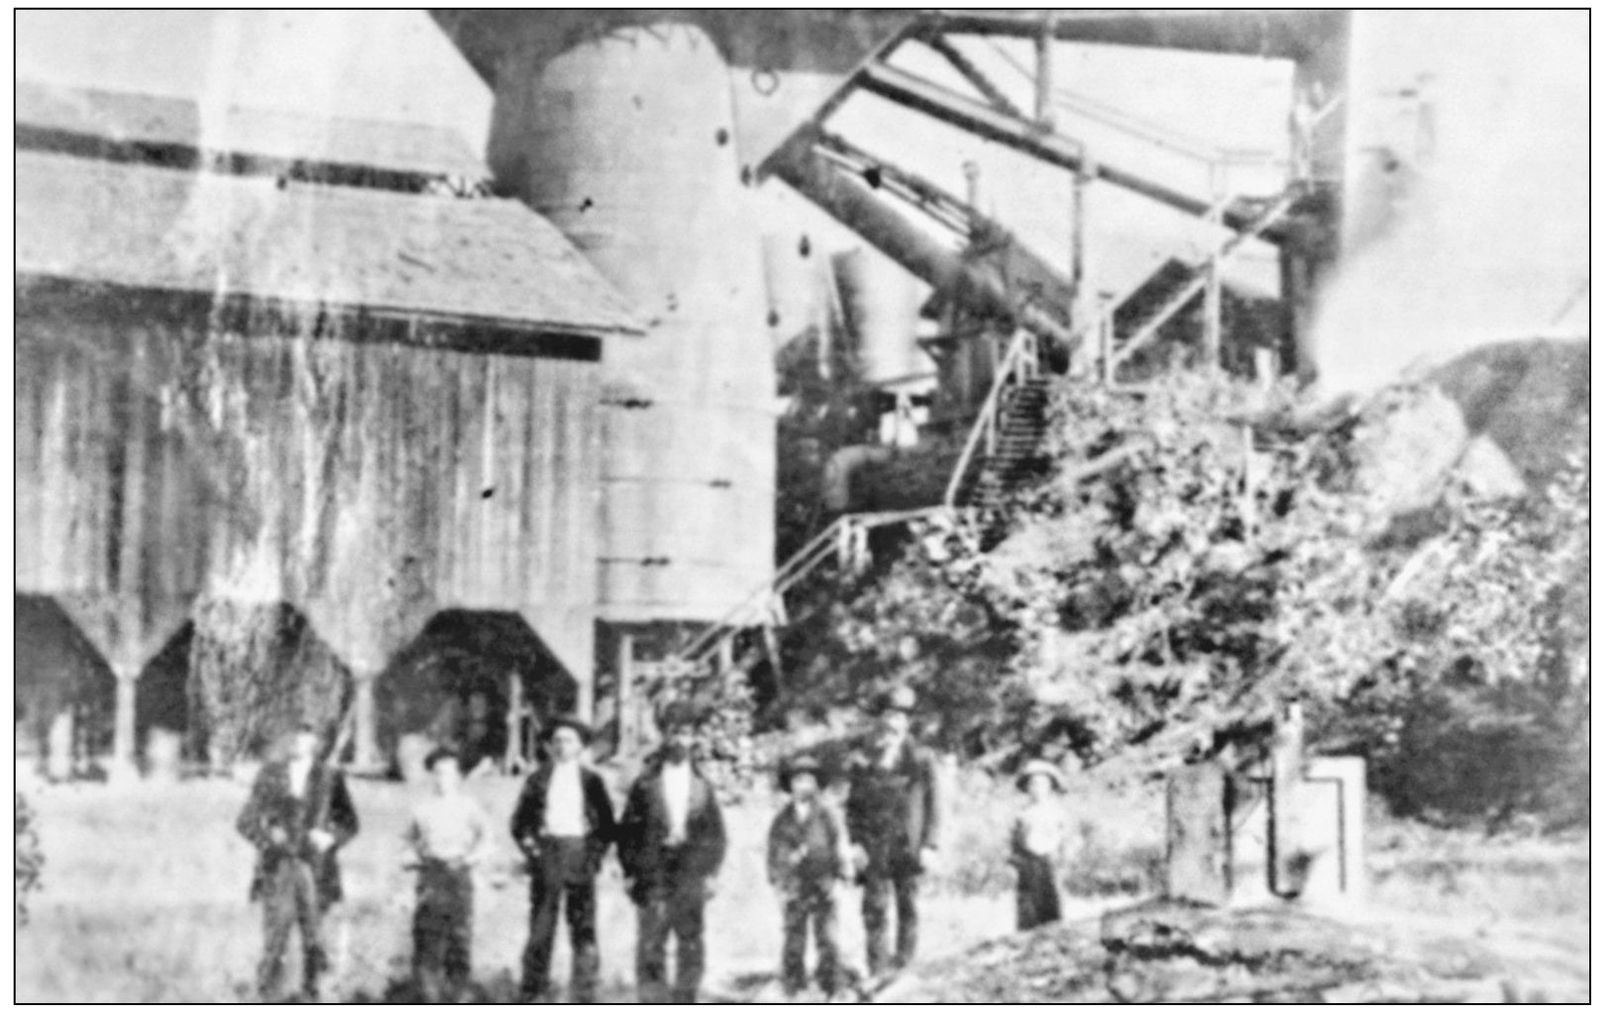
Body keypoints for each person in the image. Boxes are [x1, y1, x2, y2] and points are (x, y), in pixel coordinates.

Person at [235, 722, 360, 1001]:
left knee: (315, 941)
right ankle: (267, 998)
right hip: (278, 870)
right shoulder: (270, 774)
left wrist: (329, 838)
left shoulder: (330, 777)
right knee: (274, 942)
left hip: (317, 870)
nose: (298, 742)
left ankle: (313, 996)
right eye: (292, 735)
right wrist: (269, 837)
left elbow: (350, 823)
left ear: (315, 741)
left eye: (305, 736)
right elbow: (245, 821)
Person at [617, 701, 727, 1003]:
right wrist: (629, 871)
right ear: (664, 735)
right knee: (652, 940)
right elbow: (627, 832)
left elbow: (716, 835)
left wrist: (712, 874)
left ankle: (685, 999)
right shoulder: (645, 783)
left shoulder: (703, 786)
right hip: (653, 870)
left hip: (690, 872)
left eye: (686, 733)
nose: (680, 740)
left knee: (690, 941)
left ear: (694, 738)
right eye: (674, 732)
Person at [509, 715, 617, 1003]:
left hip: (580, 853)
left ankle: (584, 995)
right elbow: (519, 824)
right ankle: (533, 993)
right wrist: (534, 852)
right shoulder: (538, 779)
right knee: (541, 926)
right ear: (549, 745)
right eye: (557, 740)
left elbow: (607, 826)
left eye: (569, 740)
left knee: (583, 927)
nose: (562, 746)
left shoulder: (592, 781)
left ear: (581, 746)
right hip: (548, 854)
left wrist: (594, 857)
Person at [845, 685, 942, 981]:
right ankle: (877, 967)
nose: (892, 723)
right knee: (874, 906)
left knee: (908, 904)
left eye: (899, 717)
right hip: (874, 844)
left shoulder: (922, 758)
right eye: (887, 716)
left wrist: (930, 845)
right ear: (879, 721)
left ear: (908, 722)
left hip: (907, 843)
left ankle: (904, 963)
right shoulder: (864, 759)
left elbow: (934, 805)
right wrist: (856, 844)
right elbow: (853, 806)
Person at [404, 747, 494, 1001]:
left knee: (459, 939)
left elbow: (487, 839)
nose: (441, 778)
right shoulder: (422, 809)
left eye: (447, 773)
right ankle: (428, 996)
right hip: (431, 874)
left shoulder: (469, 807)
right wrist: (410, 857)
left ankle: (458, 995)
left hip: (458, 874)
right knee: (427, 938)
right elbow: (407, 842)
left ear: (457, 777)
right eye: (437, 773)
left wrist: (471, 859)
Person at [766, 755, 853, 999]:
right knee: (793, 938)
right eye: (797, 780)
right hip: (795, 885)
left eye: (808, 780)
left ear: (816, 785)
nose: (802, 786)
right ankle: (793, 987)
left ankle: (833, 987)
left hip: (824, 882)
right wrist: (777, 881)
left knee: (828, 938)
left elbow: (840, 844)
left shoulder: (827, 813)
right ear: (790, 785)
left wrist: (842, 877)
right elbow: (774, 853)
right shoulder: (782, 819)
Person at [1010, 759, 1068, 931]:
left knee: (1051, 905)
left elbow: (1064, 840)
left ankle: (1053, 934)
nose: (1037, 789)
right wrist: (1016, 862)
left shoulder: (1057, 813)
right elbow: (1014, 844)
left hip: (1051, 863)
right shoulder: (1022, 815)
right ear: (1027, 788)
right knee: (1028, 907)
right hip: (1028, 866)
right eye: (1033, 784)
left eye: (1042, 785)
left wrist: (1061, 857)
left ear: (1050, 787)